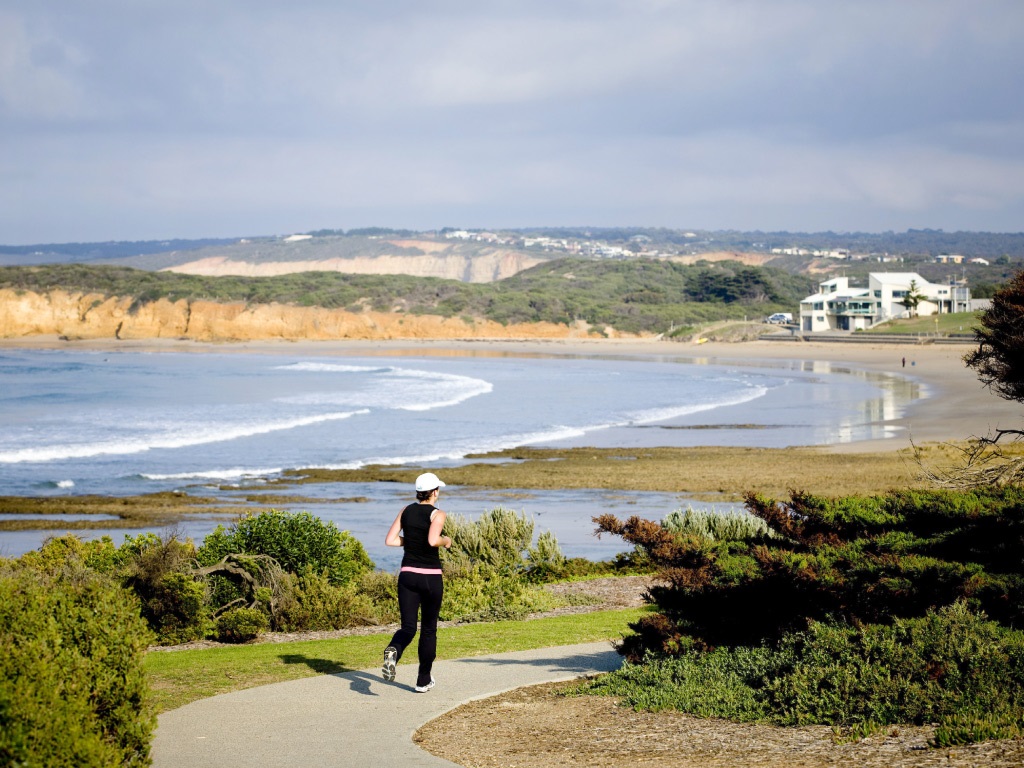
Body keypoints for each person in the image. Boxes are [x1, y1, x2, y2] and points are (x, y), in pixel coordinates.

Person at [381, 472, 453, 692]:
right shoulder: (437, 514)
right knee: (429, 630)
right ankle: (423, 680)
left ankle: (394, 649)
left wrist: (411, 541)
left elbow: (390, 540)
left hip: (408, 576)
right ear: (434, 492)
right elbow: (433, 540)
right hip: (430, 577)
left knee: (408, 627)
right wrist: (446, 541)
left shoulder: (406, 510)